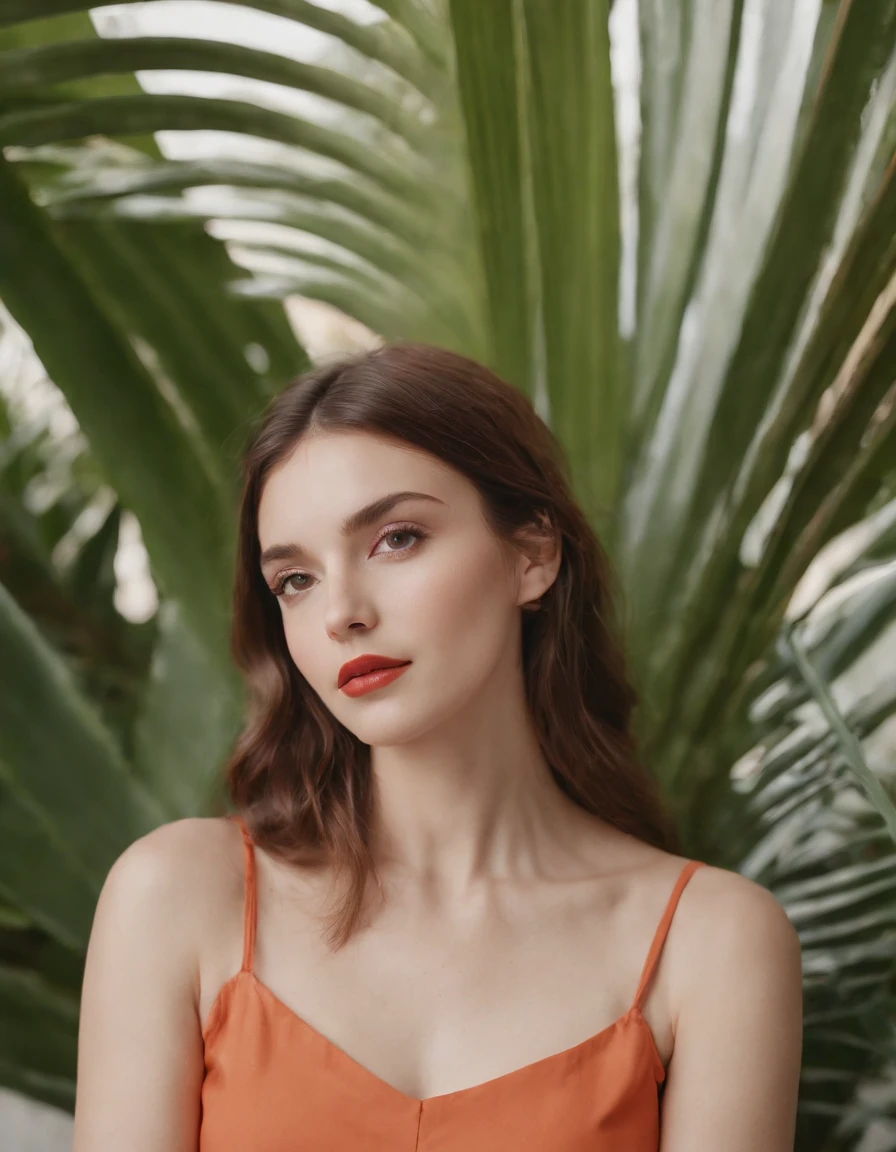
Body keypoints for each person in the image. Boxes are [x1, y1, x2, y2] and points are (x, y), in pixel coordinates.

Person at [72, 342, 803, 1151]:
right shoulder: (178, 897)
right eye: (296, 580)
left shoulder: (712, 943)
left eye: (396, 539)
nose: (342, 611)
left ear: (533, 555)